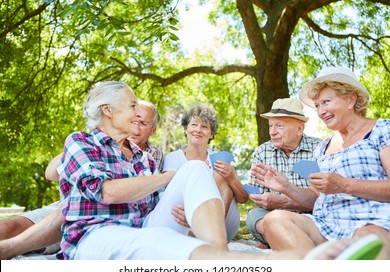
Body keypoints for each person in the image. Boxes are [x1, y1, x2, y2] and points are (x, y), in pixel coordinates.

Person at [0, 80, 384, 261]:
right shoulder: (82, 143)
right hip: (96, 232)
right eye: (132, 107)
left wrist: (192, 186)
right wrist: (174, 180)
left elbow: (161, 197)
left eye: (143, 115)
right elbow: (107, 192)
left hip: (147, 222)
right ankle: (284, 263)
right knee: (158, 243)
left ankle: (221, 253)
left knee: (198, 175)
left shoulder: (147, 155)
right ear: (107, 112)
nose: (139, 114)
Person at [0, 98, 164, 260]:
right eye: (133, 118)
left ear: (152, 130)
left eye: (143, 123)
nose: (136, 125)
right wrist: (77, 152)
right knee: (8, 227)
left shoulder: (151, 157)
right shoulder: (92, 142)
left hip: (112, 218)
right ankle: (11, 248)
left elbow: (145, 197)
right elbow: (50, 174)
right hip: (67, 207)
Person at [257, 66, 390, 259]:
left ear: (350, 99)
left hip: (372, 221)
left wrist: (344, 185)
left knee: (368, 241)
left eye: (326, 102)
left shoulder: (382, 130)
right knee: (274, 220)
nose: (321, 111)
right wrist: (286, 187)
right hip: (325, 224)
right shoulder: (323, 147)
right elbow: (316, 197)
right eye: (318, 105)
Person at [163, 104, 248, 241]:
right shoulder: (173, 158)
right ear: (186, 129)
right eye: (194, 125)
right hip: (186, 219)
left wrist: (231, 177)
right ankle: (205, 236)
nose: (198, 130)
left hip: (222, 224)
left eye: (204, 127)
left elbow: (243, 198)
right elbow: (171, 194)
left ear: (211, 133)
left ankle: (211, 233)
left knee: (220, 173)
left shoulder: (219, 158)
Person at [245, 98, 322, 248]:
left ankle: (280, 242)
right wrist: (258, 196)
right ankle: (294, 241)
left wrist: (282, 201)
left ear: (300, 128)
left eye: (279, 126)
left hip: (311, 215)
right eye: (271, 126)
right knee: (254, 216)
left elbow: (322, 199)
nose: (272, 132)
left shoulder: (319, 148)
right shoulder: (262, 151)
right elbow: (255, 190)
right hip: (273, 213)